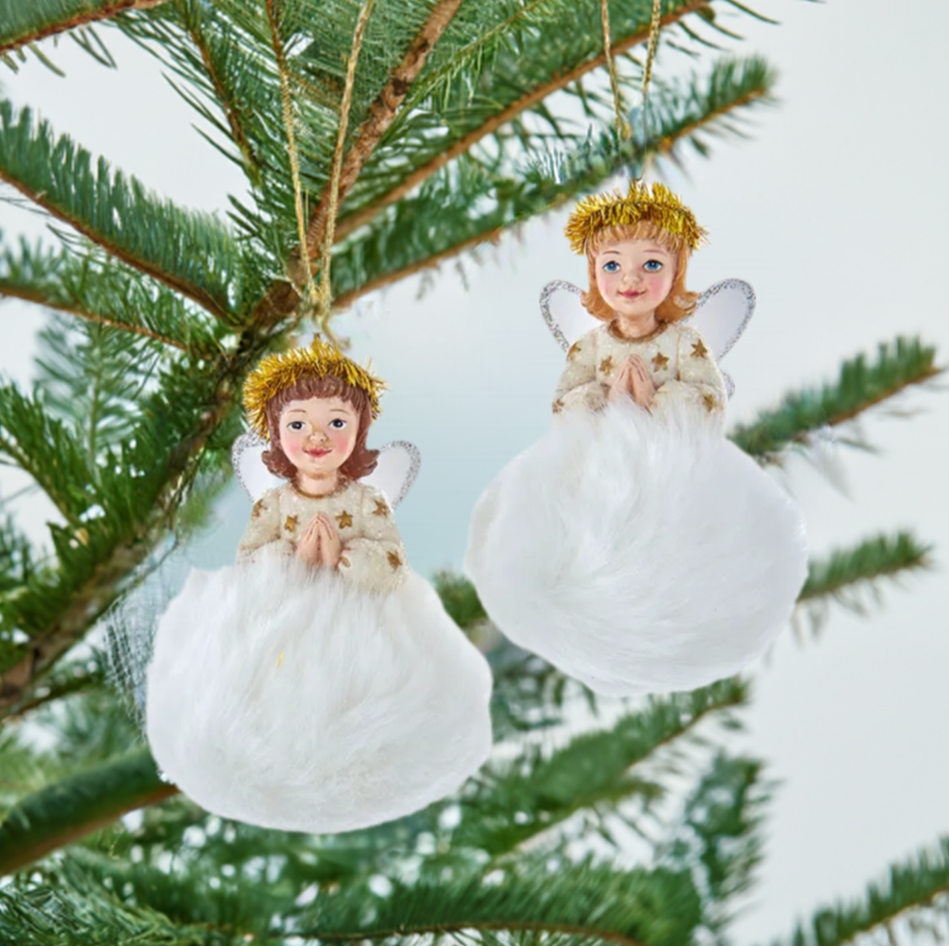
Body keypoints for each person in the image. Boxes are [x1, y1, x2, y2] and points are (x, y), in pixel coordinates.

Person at [466, 181, 808, 697]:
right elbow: (566, 398)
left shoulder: (683, 341)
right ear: (593, 272)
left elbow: (708, 394)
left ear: (675, 273)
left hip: (669, 460)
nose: (630, 279)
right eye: (612, 265)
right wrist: (603, 405)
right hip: (598, 462)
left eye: (649, 264)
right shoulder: (590, 345)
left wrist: (657, 403)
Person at [146, 338, 493, 834]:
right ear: (275, 433)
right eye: (297, 424)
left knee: (367, 679)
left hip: (360, 621)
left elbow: (392, 561)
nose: (317, 438)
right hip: (286, 622)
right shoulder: (274, 505)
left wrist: (346, 559)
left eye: (335, 422)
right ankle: (279, 732)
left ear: (358, 432)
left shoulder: (368, 502)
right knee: (276, 680)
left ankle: (360, 732)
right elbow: (251, 561)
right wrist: (293, 561)